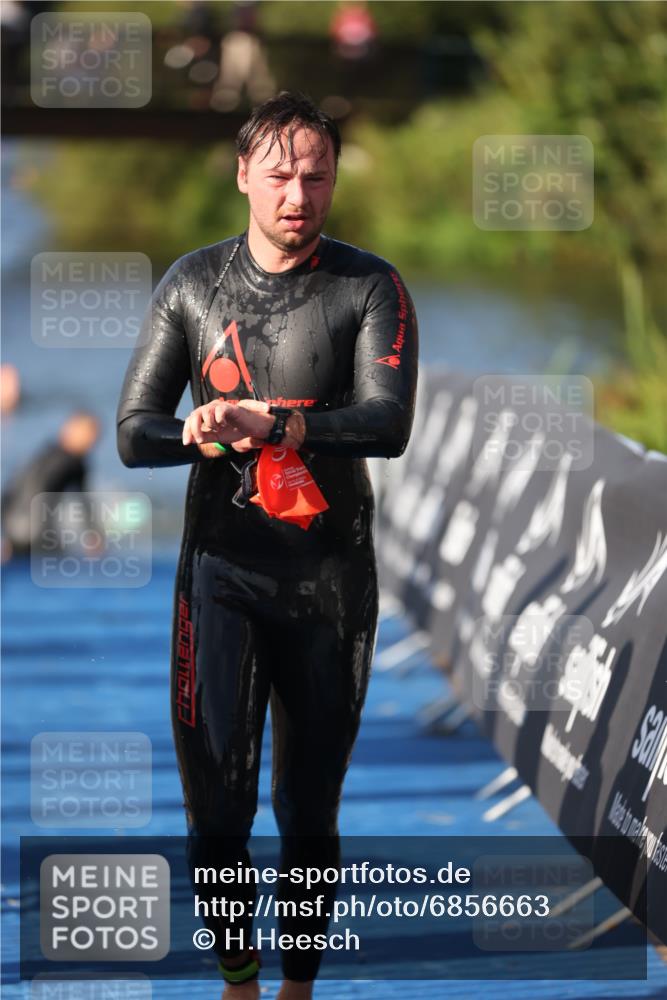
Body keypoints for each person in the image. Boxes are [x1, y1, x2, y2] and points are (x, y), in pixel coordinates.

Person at [116, 91, 418, 999]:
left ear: (333, 181)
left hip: (330, 579)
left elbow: (385, 423)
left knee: (304, 805)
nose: (298, 194)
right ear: (243, 174)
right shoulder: (191, 284)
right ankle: (238, 979)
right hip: (220, 574)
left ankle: (299, 986)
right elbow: (135, 432)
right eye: (280, 174)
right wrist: (207, 434)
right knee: (217, 806)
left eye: (316, 175)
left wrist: (274, 422)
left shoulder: (369, 286)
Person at [2, 411, 100, 562]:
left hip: (13, 529)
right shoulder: (76, 463)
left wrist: (7, 536)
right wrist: (94, 537)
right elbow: (83, 503)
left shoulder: (45, 453)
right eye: (92, 436)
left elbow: (11, 491)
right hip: (38, 534)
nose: (93, 443)